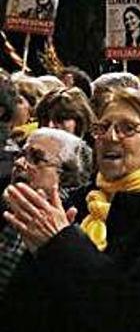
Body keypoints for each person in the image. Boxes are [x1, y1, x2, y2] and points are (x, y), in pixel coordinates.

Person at [1, 88, 140, 332]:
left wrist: (63, 245)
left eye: (127, 128)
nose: (111, 137)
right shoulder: (75, 202)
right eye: (103, 127)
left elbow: (134, 314)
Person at [0, 128, 90, 302]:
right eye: (21, 154)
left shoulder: (74, 228)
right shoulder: (5, 199)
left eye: (36, 158)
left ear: (65, 176)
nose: (19, 162)